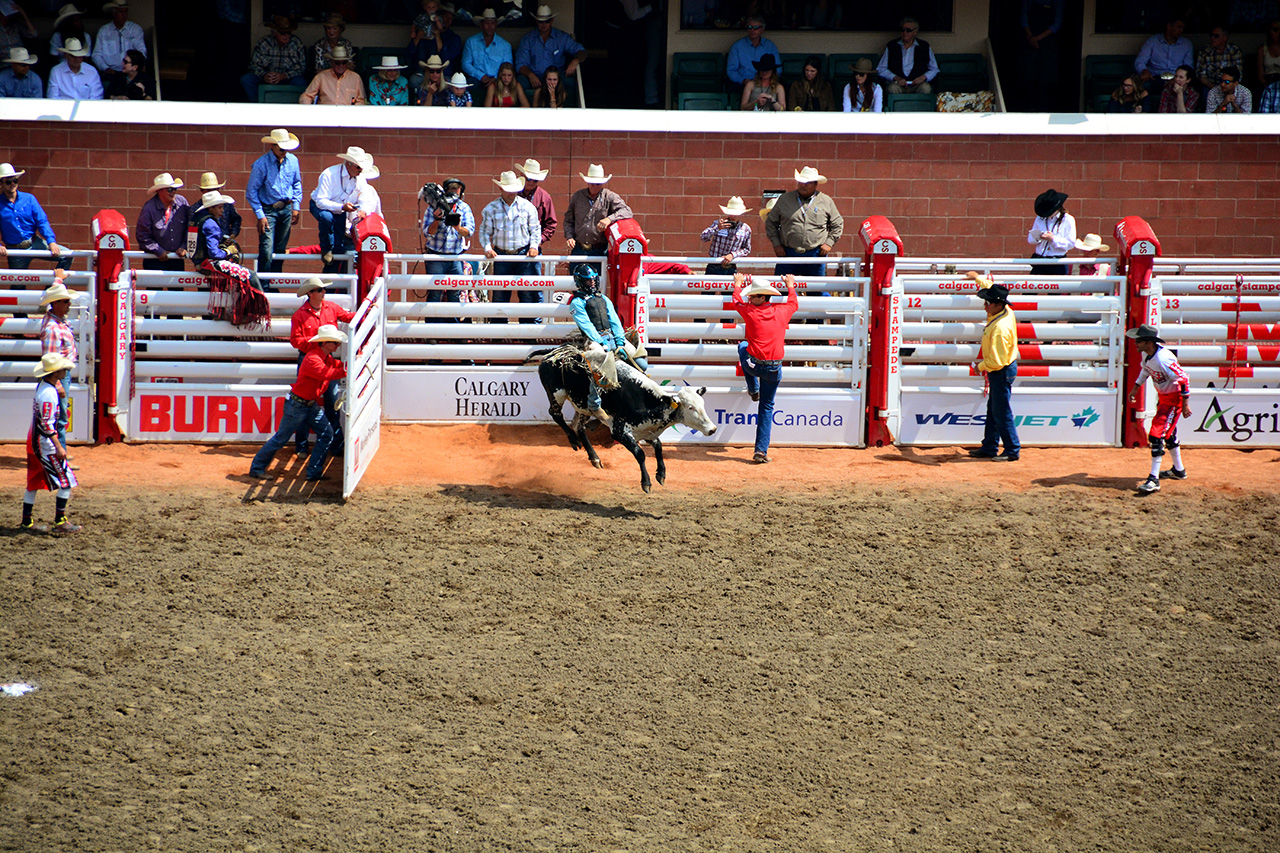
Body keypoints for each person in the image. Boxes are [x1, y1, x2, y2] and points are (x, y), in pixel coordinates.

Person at [249, 324, 348, 482]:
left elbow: (334, 368)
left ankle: (313, 471)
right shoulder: (313, 359)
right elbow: (327, 373)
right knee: (281, 439)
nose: (338, 345)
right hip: (300, 405)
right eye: (336, 342)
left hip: (305, 404)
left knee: (326, 434)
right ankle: (257, 468)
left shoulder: (322, 357)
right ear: (325, 343)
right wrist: (347, 369)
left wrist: (349, 365)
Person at [730, 271, 799, 464]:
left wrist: (738, 283)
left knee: (743, 347)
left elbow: (736, 300)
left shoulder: (749, 311)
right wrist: (790, 285)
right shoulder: (781, 311)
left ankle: (753, 388)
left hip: (753, 365)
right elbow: (794, 303)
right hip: (773, 368)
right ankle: (761, 450)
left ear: (763, 297)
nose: (750, 298)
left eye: (753, 296)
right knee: (766, 407)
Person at [567, 264, 645, 419]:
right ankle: (594, 403)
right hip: (593, 340)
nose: (593, 283)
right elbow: (586, 326)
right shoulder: (577, 302)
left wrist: (620, 342)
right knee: (601, 364)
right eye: (589, 281)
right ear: (580, 282)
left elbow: (614, 321)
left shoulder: (604, 298)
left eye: (594, 280)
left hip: (612, 336)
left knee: (642, 363)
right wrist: (601, 343)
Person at [290, 277, 354, 457]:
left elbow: (349, 317)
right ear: (310, 293)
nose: (323, 292)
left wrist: (366, 311)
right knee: (307, 402)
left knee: (329, 403)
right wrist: (318, 346)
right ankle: (304, 446)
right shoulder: (300, 315)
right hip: (313, 359)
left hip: (322, 357)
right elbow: (296, 341)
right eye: (319, 290)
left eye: (323, 289)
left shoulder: (330, 308)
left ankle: (334, 446)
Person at [1127, 324, 1191, 494]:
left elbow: (1183, 379)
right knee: (1168, 435)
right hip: (1164, 399)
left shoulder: (1163, 359)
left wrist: (1184, 405)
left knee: (1156, 435)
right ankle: (1179, 470)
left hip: (1172, 401)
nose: (1135, 344)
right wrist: (1135, 388)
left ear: (1149, 342)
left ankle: (1153, 479)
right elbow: (1145, 371)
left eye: (1138, 341)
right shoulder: (1148, 357)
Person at [22, 353, 81, 534]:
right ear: (56, 372)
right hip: (44, 445)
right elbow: (47, 425)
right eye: (64, 368)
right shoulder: (48, 394)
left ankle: (27, 521)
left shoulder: (43, 387)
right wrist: (59, 446)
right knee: (66, 481)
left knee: (33, 482)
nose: (67, 370)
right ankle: (60, 520)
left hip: (34, 442)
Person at [965, 273, 1020, 462]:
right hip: (1004, 369)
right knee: (995, 409)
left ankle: (1012, 450)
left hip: (1000, 370)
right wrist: (977, 278)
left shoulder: (999, 329)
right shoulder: (1005, 312)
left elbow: (997, 361)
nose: (985, 305)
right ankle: (989, 446)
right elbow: (992, 288)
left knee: (1001, 411)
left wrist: (980, 367)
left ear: (998, 305)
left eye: (988, 303)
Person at [479, 170, 542, 323]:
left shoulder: (527, 207)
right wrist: (487, 248)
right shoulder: (490, 209)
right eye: (508, 190)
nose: (511, 193)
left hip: (524, 254)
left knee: (526, 294)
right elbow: (484, 232)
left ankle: (527, 332)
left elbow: (535, 229)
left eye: (513, 190)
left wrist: (534, 246)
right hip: (501, 255)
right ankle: (499, 333)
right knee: (500, 294)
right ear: (501, 189)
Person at [191, 190, 271, 310]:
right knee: (250, 276)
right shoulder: (211, 224)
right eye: (219, 208)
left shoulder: (198, 220)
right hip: (209, 263)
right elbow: (214, 253)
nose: (222, 211)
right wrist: (229, 252)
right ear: (211, 208)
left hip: (199, 262)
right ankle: (250, 310)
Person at [765, 165, 843, 279]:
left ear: (816, 184)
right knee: (783, 290)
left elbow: (838, 224)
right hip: (788, 253)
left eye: (807, 183)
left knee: (816, 291)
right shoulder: (785, 199)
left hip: (815, 254)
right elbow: (771, 222)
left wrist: (829, 243)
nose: (803, 185)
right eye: (801, 182)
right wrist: (776, 244)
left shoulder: (826, 201)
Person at [247, 128, 303, 274]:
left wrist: (296, 207)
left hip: (286, 208)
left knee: (280, 249)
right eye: (281, 148)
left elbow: (296, 183)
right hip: (268, 210)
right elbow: (251, 191)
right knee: (266, 248)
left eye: (286, 148)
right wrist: (260, 215)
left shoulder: (293, 161)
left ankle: (273, 280)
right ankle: (264, 284)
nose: (284, 151)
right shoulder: (261, 164)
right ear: (272, 146)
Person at [0, 163, 72, 272]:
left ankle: (53, 287)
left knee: (67, 255)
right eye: (8, 182)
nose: (13, 184)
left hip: (34, 242)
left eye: (15, 180)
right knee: (18, 284)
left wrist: (51, 241)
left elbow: (42, 221)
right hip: (15, 249)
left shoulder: (29, 199)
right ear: (1, 184)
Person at [422, 176, 474, 320]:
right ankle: (431, 331)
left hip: (455, 257)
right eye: (451, 188)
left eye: (457, 188)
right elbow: (427, 232)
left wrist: (457, 227)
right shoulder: (433, 206)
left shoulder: (464, 207)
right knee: (434, 293)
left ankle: (454, 331)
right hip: (435, 256)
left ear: (461, 191)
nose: (454, 191)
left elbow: (469, 231)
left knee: (455, 293)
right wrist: (437, 220)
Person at [39, 275, 77, 461]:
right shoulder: (53, 328)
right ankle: (58, 453)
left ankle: (56, 451)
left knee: (58, 415)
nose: (69, 304)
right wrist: (59, 384)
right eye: (66, 301)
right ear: (56, 304)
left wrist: (58, 280)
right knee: (59, 416)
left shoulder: (53, 318)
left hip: (58, 374)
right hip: (58, 375)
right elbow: (51, 358)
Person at [565, 164, 632, 270]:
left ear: (602, 184)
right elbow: (568, 220)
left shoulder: (609, 196)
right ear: (587, 182)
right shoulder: (577, 197)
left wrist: (609, 219)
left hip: (599, 249)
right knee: (576, 282)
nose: (593, 186)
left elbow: (627, 211)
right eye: (591, 183)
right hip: (578, 248)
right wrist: (569, 237)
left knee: (598, 283)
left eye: (597, 184)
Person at [310, 146, 366, 270]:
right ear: (349, 164)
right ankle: (326, 249)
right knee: (326, 217)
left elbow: (365, 197)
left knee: (339, 245)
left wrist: (362, 210)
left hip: (341, 210)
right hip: (322, 206)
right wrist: (342, 207)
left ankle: (331, 275)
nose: (360, 170)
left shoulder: (360, 179)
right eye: (358, 167)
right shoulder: (329, 174)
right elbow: (320, 201)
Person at [515, 4, 585, 91]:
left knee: (571, 83)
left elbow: (582, 51)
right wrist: (530, 75)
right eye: (540, 21)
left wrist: (575, 61)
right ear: (536, 21)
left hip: (556, 77)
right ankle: (524, 105)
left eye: (547, 21)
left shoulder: (561, 37)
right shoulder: (527, 39)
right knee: (520, 82)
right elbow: (520, 64)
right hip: (535, 76)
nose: (544, 24)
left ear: (552, 20)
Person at [242, 15, 306, 103]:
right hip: (267, 78)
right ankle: (256, 106)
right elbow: (253, 65)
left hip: (287, 79)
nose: (286, 35)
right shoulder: (264, 43)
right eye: (282, 33)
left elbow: (302, 68)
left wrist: (284, 75)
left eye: (289, 32)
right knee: (247, 79)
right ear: (274, 33)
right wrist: (264, 75)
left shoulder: (296, 43)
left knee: (300, 82)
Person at [1135, 15, 1193, 109]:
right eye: (1179, 27)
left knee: (1188, 89)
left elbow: (1188, 67)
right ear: (1169, 26)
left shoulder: (1186, 44)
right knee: (1142, 87)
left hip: (1176, 79)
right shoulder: (1153, 41)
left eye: (1183, 28)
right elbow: (1140, 61)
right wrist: (1144, 70)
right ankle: (1144, 114)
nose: (1181, 30)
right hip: (1154, 77)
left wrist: (1176, 78)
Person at [136, 172, 190, 271]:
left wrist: (184, 246)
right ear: (160, 191)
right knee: (154, 286)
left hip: (176, 259)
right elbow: (142, 235)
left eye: (175, 189)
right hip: (154, 259)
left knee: (176, 286)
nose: (173, 192)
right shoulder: (149, 209)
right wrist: (158, 250)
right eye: (170, 189)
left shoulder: (182, 203)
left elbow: (190, 227)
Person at [1017, 0, 1064, 112]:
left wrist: (1037, 39)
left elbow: (1057, 23)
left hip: (1047, 43)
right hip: (1030, 41)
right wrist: (1030, 37)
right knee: (1028, 74)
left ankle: (1044, 109)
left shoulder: (1059, 2)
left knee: (1046, 78)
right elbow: (1023, 16)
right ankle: (1028, 108)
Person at [877, 16, 939, 95]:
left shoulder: (924, 46)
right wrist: (896, 78)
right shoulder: (892, 45)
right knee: (892, 88)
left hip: (917, 85)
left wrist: (923, 77)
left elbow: (934, 69)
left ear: (915, 32)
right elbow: (881, 69)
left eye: (908, 30)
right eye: (903, 30)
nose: (905, 32)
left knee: (926, 88)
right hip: (898, 84)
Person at [91, 0, 146, 81]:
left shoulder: (135, 29)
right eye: (121, 12)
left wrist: (139, 65)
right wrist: (106, 68)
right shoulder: (104, 31)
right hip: (111, 72)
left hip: (131, 71)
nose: (124, 15)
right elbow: (96, 55)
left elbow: (141, 50)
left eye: (126, 12)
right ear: (113, 13)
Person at [1027, 188, 1075, 275]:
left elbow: (1071, 243)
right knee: (1035, 286)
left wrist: (1053, 239)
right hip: (1039, 261)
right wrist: (1038, 237)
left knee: (1057, 287)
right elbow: (1030, 239)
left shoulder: (1068, 220)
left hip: (1057, 262)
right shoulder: (1040, 218)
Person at [461, 7, 512, 88]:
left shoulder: (505, 45)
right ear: (481, 25)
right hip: (477, 78)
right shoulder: (471, 42)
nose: (490, 27)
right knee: (469, 84)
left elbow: (508, 67)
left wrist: (495, 78)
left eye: (492, 23)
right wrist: (481, 76)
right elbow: (465, 64)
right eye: (487, 23)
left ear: (496, 25)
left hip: (498, 79)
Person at [700, 196, 752, 275]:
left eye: (736, 214)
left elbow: (746, 249)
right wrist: (717, 228)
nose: (734, 216)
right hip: (714, 264)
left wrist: (732, 255)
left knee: (731, 287)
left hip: (730, 266)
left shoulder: (746, 229)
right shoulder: (718, 223)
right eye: (732, 213)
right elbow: (703, 237)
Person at [515, 158, 558, 252]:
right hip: (511, 247)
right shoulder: (512, 193)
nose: (531, 182)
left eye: (535, 180)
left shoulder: (544, 197)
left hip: (532, 248)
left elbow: (551, 224)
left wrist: (539, 241)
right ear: (522, 175)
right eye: (529, 179)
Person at [300, 45, 365, 105]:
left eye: (344, 62)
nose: (341, 66)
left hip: (347, 115)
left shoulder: (356, 77)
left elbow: (361, 100)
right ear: (331, 63)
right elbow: (307, 96)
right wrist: (308, 110)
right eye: (337, 63)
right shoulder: (321, 76)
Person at [726, 15, 780, 87]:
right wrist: (743, 80)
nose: (752, 30)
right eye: (749, 27)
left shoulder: (770, 46)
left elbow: (778, 70)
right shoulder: (737, 46)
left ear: (762, 29)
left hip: (766, 84)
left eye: (756, 28)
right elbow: (731, 70)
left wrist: (767, 81)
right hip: (742, 85)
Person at [1195, 25, 1244, 91]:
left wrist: (1228, 87)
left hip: (1230, 86)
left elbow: (1239, 75)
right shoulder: (1204, 52)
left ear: (1225, 38)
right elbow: (1201, 75)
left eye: (1216, 36)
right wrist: (1213, 87)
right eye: (1211, 35)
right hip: (1210, 86)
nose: (1212, 38)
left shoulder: (1235, 51)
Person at [198, 172, 241, 242]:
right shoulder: (196, 209)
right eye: (209, 190)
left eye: (215, 189)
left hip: (225, 244)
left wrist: (232, 235)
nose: (212, 192)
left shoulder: (227, 205)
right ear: (202, 191)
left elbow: (236, 220)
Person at [1258, 18, 1280, 88]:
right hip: (1268, 80)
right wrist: (1265, 84)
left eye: (1275, 29)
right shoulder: (1262, 49)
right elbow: (1260, 71)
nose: (1271, 32)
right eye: (1270, 29)